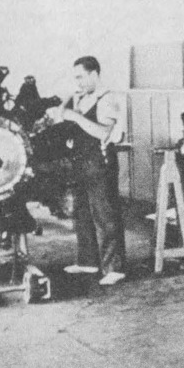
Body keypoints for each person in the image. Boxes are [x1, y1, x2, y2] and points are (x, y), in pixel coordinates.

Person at [57, 56, 126, 286]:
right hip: (81, 162)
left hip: (99, 162)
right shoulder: (84, 98)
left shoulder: (107, 98)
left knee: (104, 214)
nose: (77, 82)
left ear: (94, 74)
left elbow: (104, 132)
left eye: (80, 77)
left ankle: (114, 268)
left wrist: (75, 116)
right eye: (75, 77)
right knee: (82, 213)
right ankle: (88, 261)